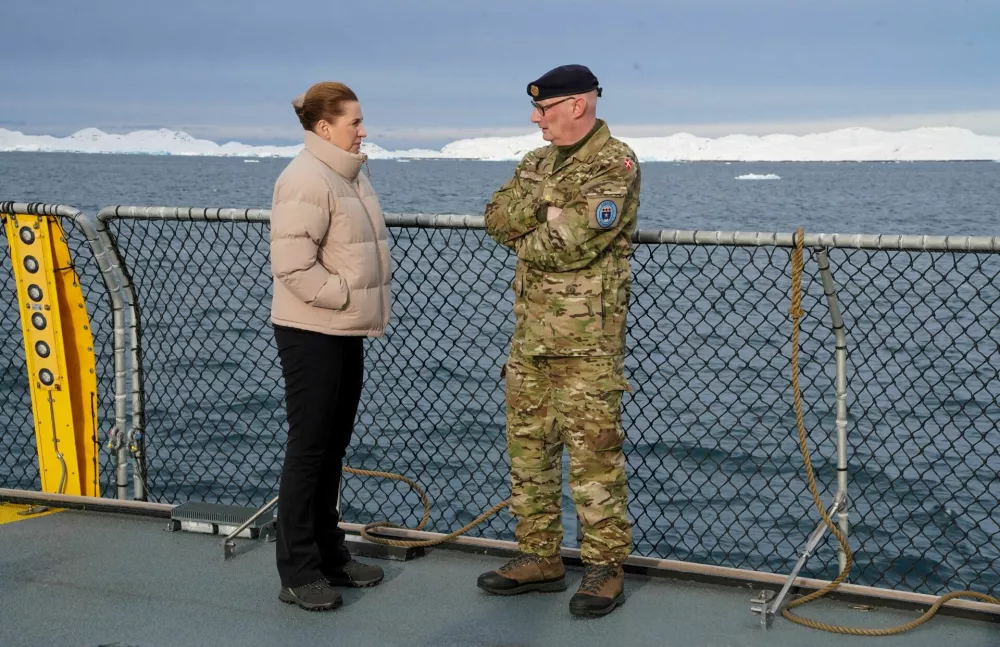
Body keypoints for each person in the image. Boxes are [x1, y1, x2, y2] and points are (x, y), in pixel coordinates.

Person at [478, 64, 640, 618]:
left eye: (543, 109)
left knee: (594, 460)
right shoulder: (536, 162)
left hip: (587, 345)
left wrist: (538, 225)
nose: (534, 118)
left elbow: (570, 244)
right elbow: (495, 217)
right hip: (530, 340)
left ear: (578, 105)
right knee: (529, 456)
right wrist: (542, 213)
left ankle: (603, 568)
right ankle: (538, 556)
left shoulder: (614, 164)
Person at [268, 81, 392, 611]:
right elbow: (292, 265)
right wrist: (342, 296)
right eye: (354, 122)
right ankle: (298, 571)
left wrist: (349, 307)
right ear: (325, 127)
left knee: (332, 448)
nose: (363, 130)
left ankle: (329, 554)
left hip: (341, 328)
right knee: (309, 450)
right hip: (313, 330)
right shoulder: (305, 179)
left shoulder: (347, 174)